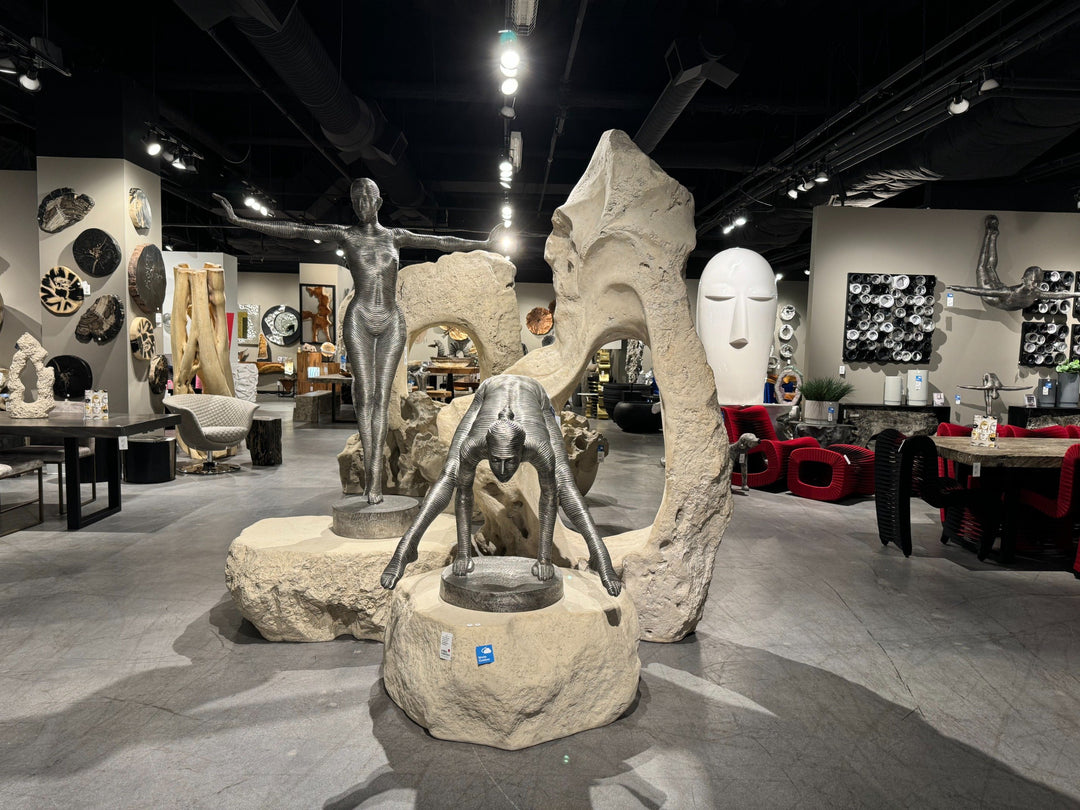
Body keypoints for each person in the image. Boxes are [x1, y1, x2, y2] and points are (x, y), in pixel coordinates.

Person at [213, 179, 502, 503]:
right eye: (357, 199)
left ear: (378, 203)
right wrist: (240, 221)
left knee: (382, 396)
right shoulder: (346, 235)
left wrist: (484, 243)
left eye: (368, 198)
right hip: (360, 318)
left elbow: (440, 241)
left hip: (391, 319)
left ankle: (375, 477)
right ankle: (371, 481)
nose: (363, 204)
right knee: (365, 395)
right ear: (353, 204)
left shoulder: (395, 236)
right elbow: (296, 230)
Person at [379, 374, 623, 597]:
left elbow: (552, 496)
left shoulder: (538, 447)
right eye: (496, 461)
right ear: (486, 449)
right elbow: (462, 494)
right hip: (488, 390)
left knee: (564, 479)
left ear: (522, 452)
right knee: (449, 472)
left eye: (510, 462)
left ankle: (599, 555)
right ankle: (406, 548)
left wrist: (544, 559)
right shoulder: (474, 445)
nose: (503, 471)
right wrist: (463, 554)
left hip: (535, 393)